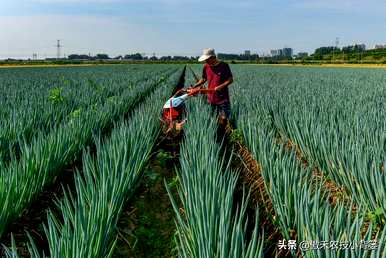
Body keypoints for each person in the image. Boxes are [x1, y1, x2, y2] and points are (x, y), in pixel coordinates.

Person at [193, 48, 234, 126]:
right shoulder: (206, 67)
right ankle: (216, 133)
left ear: (213, 57)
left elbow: (230, 80)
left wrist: (220, 86)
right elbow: (204, 79)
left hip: (223, 98)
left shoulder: (224, 66)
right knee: (213, 119)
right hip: (211, 98)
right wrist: (195, 86)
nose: (206, 61)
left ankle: (224, 132)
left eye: (207, 59)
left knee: (224, 118)